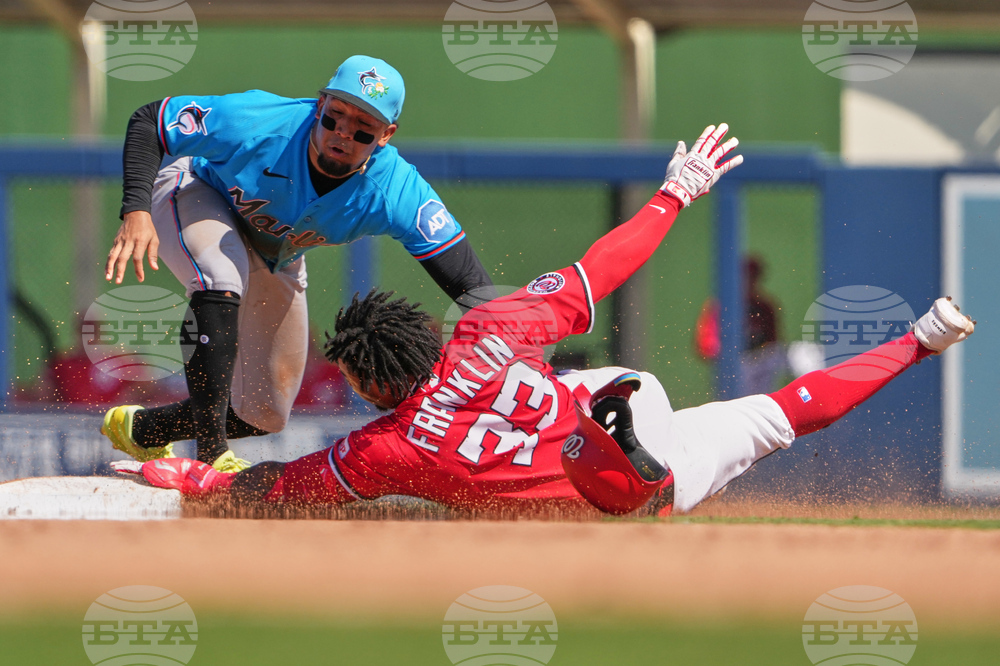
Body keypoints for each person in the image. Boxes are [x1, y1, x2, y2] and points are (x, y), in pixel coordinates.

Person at [119, 124, 976, 516]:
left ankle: (612, 462)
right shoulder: (488, 328)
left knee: (629, 484)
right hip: (612, 402)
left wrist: (201, 482)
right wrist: (675, 196)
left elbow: (280, 490)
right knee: (775, 408)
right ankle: (920, 341)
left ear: (374, 384)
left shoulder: (384, 447)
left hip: (630, 494)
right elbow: (598, 271)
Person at [100, 55, 496, 472]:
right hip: (196, 189)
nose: (342, 132)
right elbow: (150, 121)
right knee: (220, 275)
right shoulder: (262, 120)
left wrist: (520, 358)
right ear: (320, 103)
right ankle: (211, 458)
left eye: (362, 127)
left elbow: (473, 287)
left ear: (386, 134)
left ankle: (142, 430)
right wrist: (136, 211)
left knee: (264, 412)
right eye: (334, 116)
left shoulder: (397, 190)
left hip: (276, 251)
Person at [694, 255, 786, 395]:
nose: (749, 282)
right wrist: (727, 356)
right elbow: (706, 345)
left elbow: (775, 343)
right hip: (732, 366)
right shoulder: (719, 305)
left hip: (760, 366)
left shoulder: (764, 306)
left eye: (753, 277)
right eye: (745, 277)